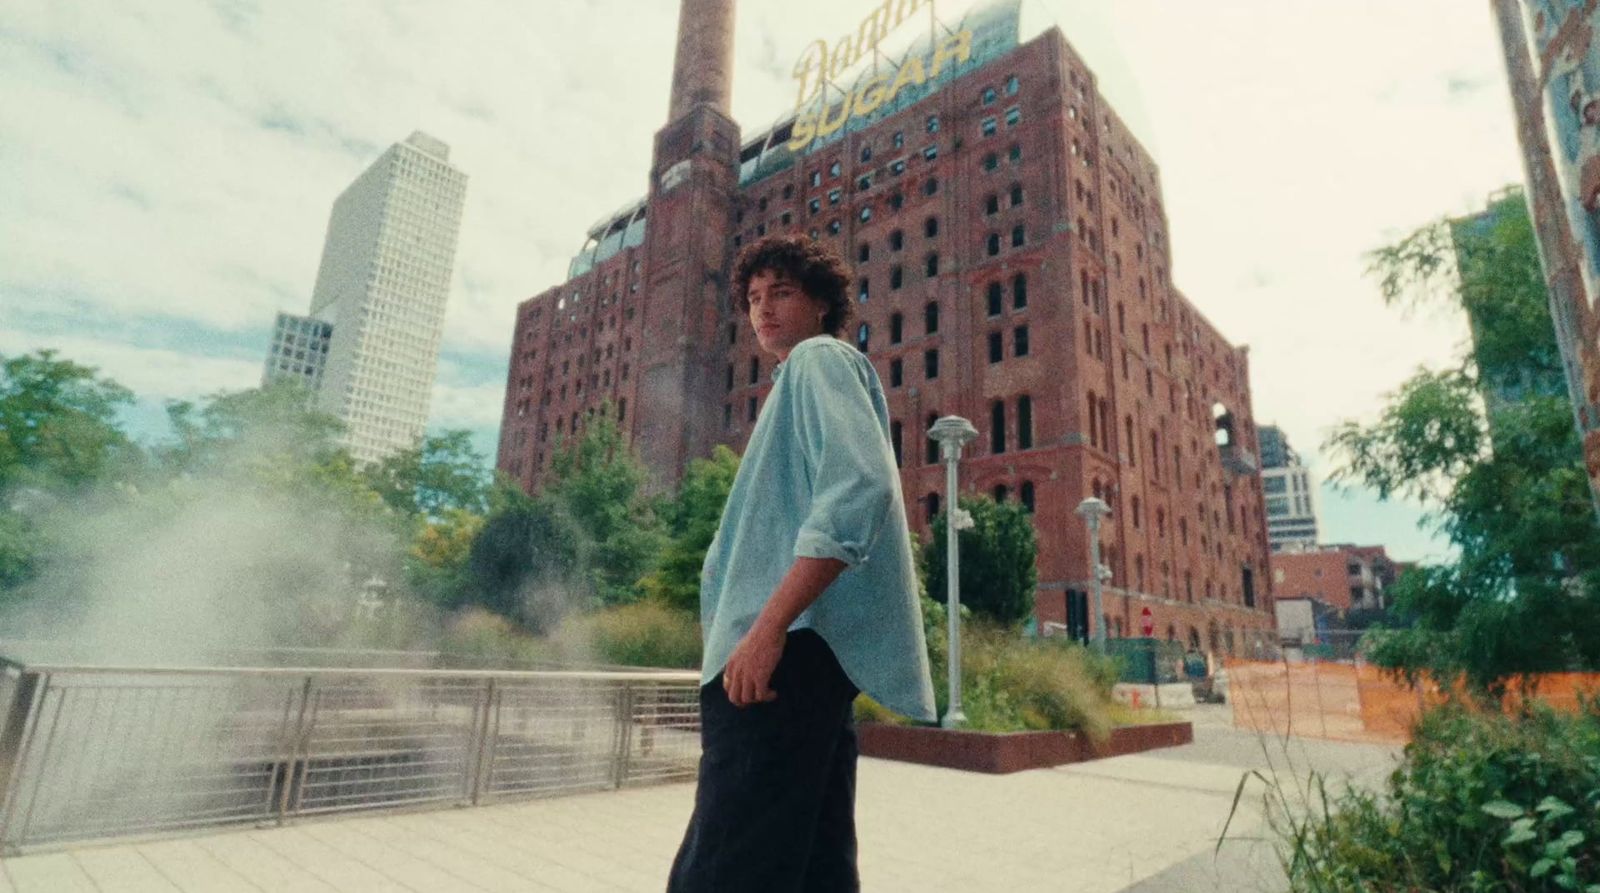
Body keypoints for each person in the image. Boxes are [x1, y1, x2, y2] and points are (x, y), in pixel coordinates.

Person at [667, 235, 936, 892]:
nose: (763, 309)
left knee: (726, 867)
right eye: (754, 298)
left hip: (779, 658)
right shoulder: (801, 380)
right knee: (814, 866)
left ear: (821, 302)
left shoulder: (818, 358)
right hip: (807, 661)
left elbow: (859, 487)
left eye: (781, 292)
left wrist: (765, 629)